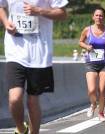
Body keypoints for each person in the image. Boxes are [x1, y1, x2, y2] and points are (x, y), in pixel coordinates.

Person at [0, 0, 68, 134]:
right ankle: (21, 129)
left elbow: (63, 14)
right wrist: (5, 22)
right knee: (15, 98)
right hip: (15, 51)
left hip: (39, 53)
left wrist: (39, 11)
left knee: (33, 100)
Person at [79, 7, 105, 121]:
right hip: (91, 63)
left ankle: (101, 113)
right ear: (93, 17)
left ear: (104, 17)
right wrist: (87, 46)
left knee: (102, 90)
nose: (99, 17)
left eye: (101, 15)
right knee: (91, 90)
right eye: (97, 15)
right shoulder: (87, 30)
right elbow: (80, 42)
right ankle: (93, 104)